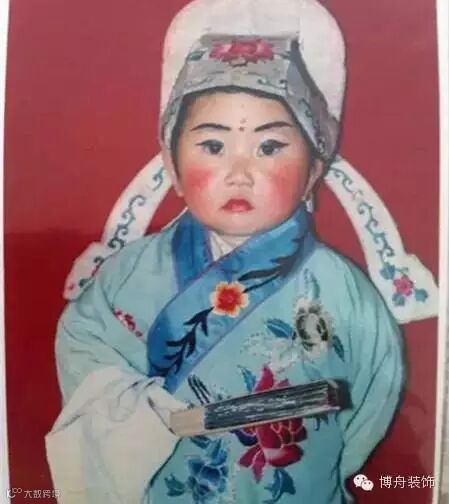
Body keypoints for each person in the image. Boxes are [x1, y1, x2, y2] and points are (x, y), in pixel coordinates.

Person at [45, 2, 404, 503]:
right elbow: (83, 361)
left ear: (313, 171)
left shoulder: (344, 293)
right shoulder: (125, 277)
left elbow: (368, 408)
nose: (240, 173)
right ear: (172, 166)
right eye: (213, 147)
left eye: (269, 147)